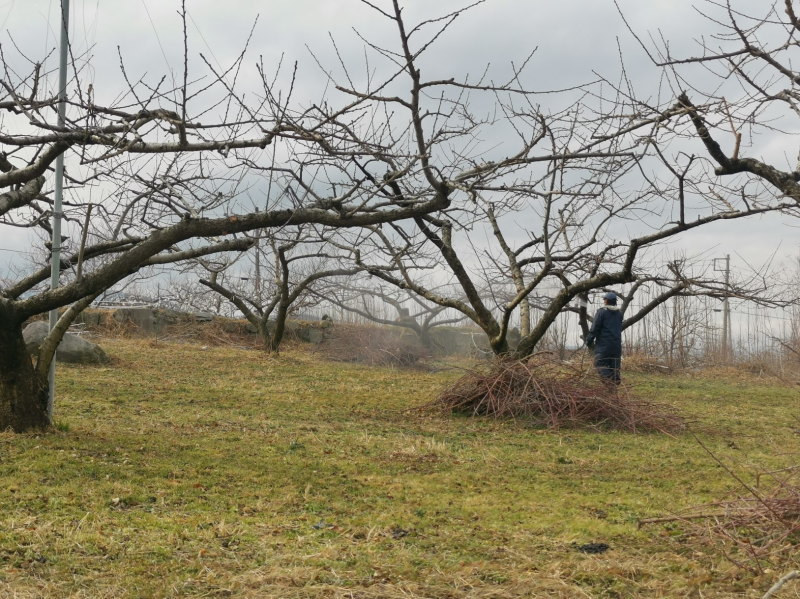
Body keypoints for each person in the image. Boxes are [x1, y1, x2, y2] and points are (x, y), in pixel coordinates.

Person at [585, 291, 623, 384]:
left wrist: (589, 340)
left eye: (604, 299)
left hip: (604, 346)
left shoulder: (601, 312)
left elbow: (595, 328)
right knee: (614, 367)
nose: (604, 301)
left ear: (606, 301)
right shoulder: (619, 314)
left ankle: (613, 380)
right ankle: (613, 386)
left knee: (599, 364)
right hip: (617, 346)